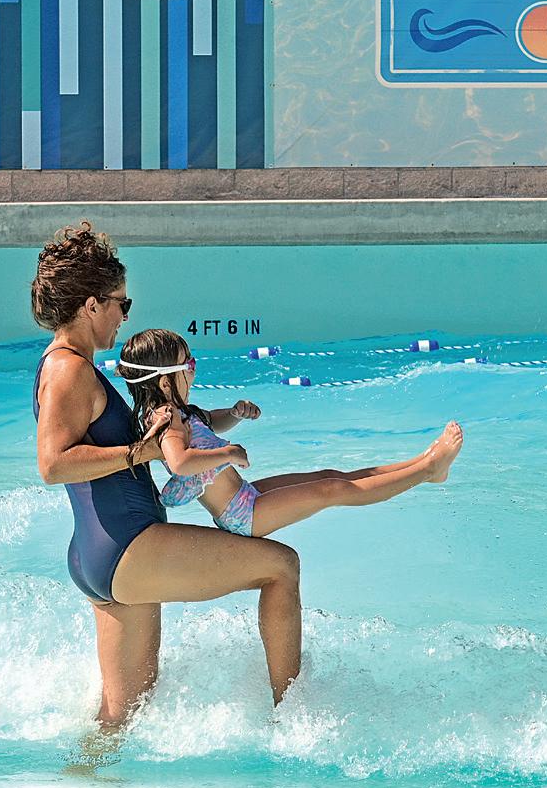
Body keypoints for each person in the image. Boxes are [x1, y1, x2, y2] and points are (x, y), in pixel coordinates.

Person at [30, 222, 305, 738]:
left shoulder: (64, 366)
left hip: (100, 553)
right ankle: (295, 721)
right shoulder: (70, 370)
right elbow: (54, 463)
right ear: (91, 305)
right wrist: (144, 450)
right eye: (121, 303)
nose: (124, 315)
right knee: (281, 566)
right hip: (128, 546)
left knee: (120, 719)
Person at [118, 328, 463, 538]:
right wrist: (228, 453)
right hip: (243, 515)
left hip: (246, 495)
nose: (195, 370)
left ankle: (422, 463)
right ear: (165, 382)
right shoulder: (166, 419)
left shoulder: (180, 411)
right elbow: (180, 462)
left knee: (329, 475)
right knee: (331, 489)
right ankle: (428, 469)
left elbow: (210, 421)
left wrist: (234, 413)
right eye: (189, 364)